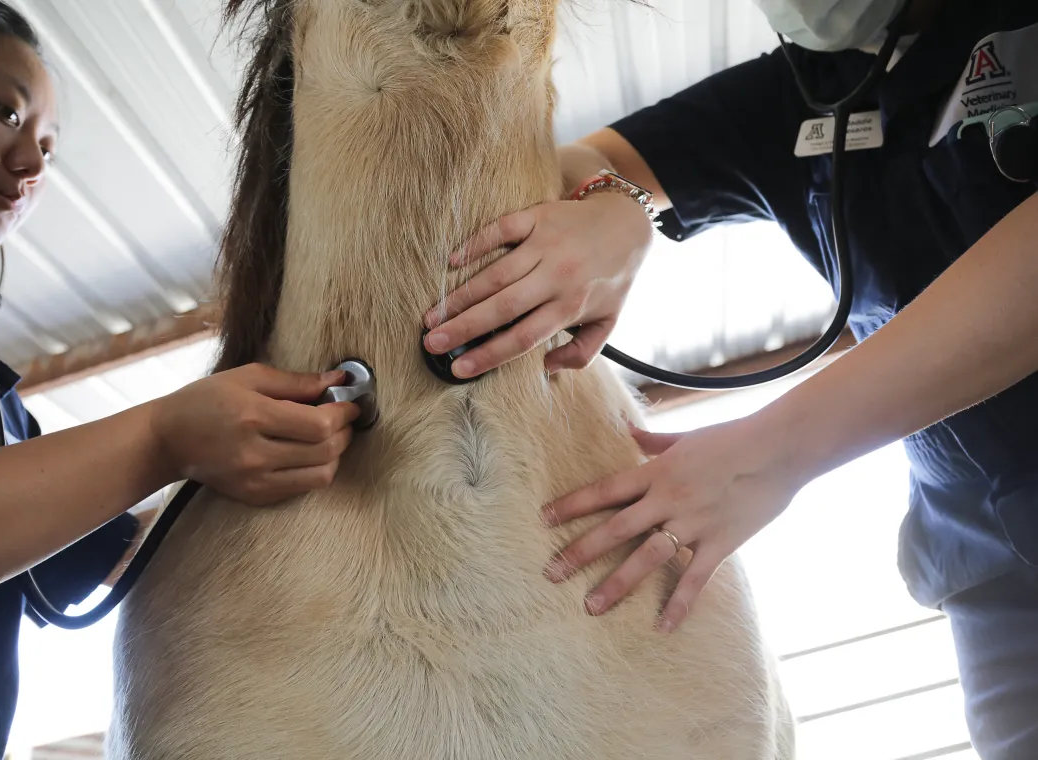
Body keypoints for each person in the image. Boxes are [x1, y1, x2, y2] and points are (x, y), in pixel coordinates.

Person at [423, 0, 1038, 756]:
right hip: (997, 579)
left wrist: (769, 452)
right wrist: (615, 209)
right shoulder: (808, 93)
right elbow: (590, 165)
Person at [0, 3, 361, 758]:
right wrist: (163, 436)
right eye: (5, 110)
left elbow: (87, 558)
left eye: (48, 146)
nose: (34, 162)